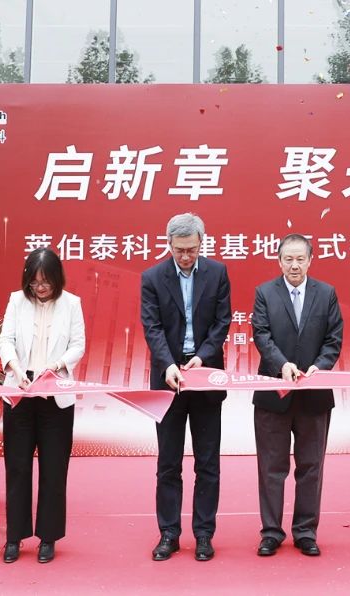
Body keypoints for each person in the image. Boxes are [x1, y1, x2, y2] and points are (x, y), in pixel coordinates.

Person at [140, 212, 232, 562]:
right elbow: (152, 327)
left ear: (201, 243)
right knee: (169, 462)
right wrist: (168, 364)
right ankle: (169, 533)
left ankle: (204, 534)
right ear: (169, 245)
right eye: (179, 250)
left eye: (191, 249)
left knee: (208, 462)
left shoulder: (217, 273)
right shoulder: (153, 277)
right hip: (168, 381)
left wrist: (203, 357)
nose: (185, 257)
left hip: (205, 376)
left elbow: (222, 322)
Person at [250, 234, 344, 557]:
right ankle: (271, 533)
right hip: (273, 394)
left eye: (300, 259)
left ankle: (306, 532)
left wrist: (320, 366)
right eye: (288, 259)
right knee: (271, 467)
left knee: (311, 466)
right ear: (279, 261)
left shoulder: (326, 293)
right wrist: (282, 364)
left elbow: (333, 338)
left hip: (314, 395)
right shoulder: (264, 293)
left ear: (310, 260)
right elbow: (261, 335)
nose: (294, 265)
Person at [0, 248, 85, 564]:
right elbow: (6, 340)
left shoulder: (71, 304)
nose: (40, 288)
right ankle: (14, 537)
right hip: (20, 392)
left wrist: (57, 366)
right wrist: (15, 367)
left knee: (53, 468)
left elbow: (78, 345)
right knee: (18, 467)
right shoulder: (16, 301)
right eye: (34, 282)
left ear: (57, 279)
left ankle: (48, 537)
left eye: (46, 282)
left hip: (55, 396)